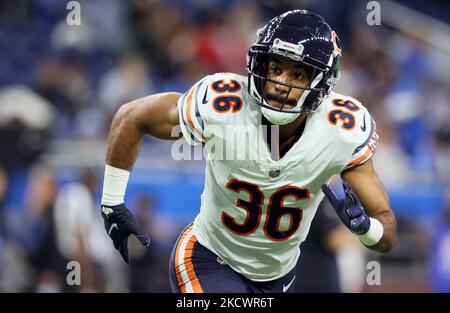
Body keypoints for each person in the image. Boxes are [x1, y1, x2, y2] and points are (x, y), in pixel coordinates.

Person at [100, 10, 397, 293]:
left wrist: (365, 228)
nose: (281, 84)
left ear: (322, 84)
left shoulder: (341, 130)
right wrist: (112, 202)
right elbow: (131, 117)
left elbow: (387, 232)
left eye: (297, 75)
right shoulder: (223, 104)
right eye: (276, 68)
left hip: (279, 276)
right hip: (208, 257)